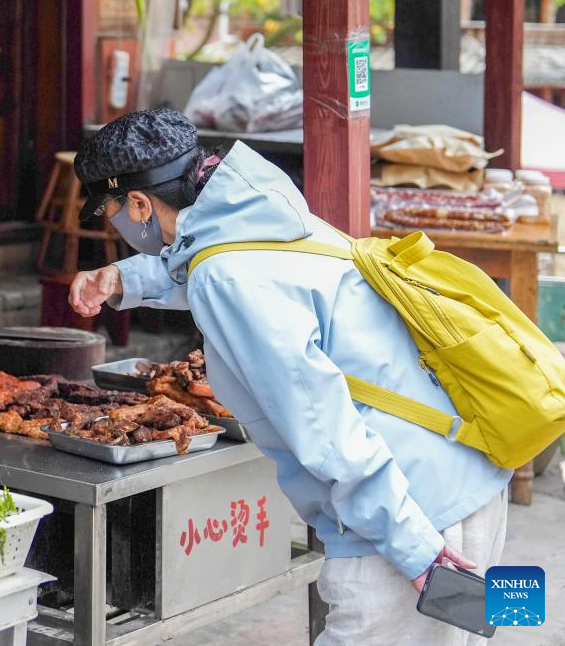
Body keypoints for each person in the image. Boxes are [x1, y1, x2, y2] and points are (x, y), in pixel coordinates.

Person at [69, 109, 510, 645]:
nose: (114, 224)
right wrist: (124, 278)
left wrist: (414, 549)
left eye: (110, 210)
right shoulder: (271, 215)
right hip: (468, 472)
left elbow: (326, 430)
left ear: (139, 203)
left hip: (409, 521)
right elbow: (208, 260)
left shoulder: (226, 277)